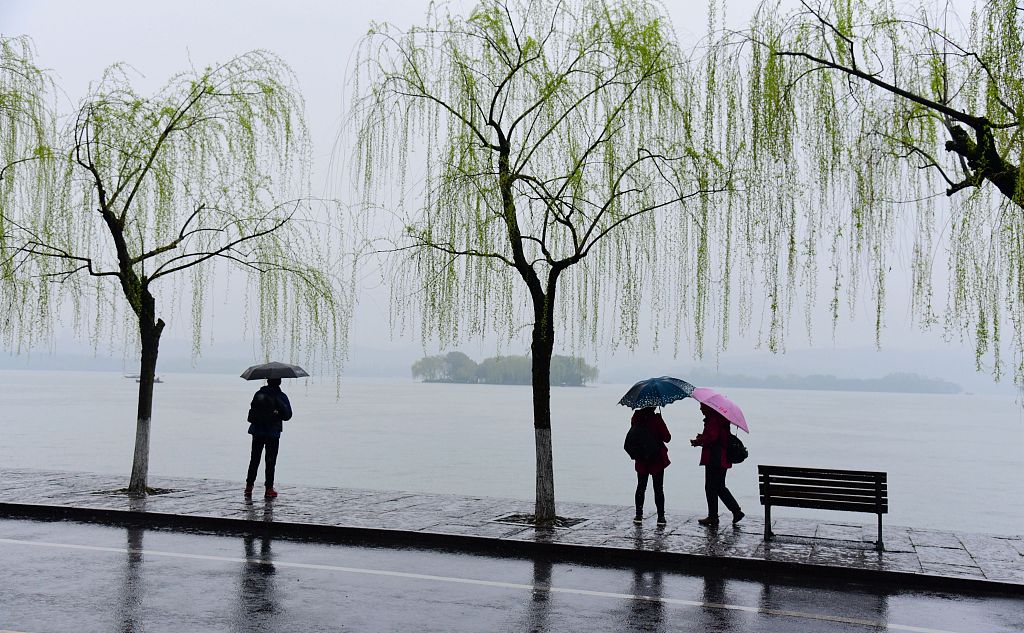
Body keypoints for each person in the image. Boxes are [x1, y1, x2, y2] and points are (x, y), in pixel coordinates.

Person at [691, 403, 744, 526]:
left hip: (715, 457)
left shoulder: (713, 419)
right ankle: (736, 511)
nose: (700, 409)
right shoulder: (720, 418)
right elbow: (715, 436)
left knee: (710, 487)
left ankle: (713, 516)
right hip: (722, 457)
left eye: (702, 406)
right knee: (719, 486)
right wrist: (703, 438)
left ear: (709, 407)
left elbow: (713, 438)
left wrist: (699, 441)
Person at [245, 377, 292, 499]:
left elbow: (253, 409)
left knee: (254, 459)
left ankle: (249, 487)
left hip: (257, 431)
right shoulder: (280, 396)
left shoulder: (258, 394)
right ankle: (269, 489)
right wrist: (278, 412)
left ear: (267, 381)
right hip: (272, 432)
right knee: (270, 461)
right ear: (279, 382)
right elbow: (288, 415)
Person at [630, 406, 671, 525]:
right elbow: (667, 438)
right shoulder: (657, 419)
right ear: (654, 406)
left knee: (641, 486)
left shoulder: (636, 417)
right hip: (656, 458)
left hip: (641, 457)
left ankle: (638, 515)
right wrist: (661, 421)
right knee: (658, 488)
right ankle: (661, 517)